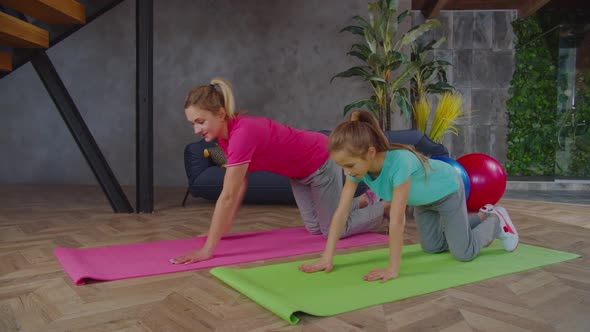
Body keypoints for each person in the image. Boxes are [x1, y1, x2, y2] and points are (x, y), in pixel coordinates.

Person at [171, 78, 386, 264]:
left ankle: (385, 206)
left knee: (332, 231)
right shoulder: (225, 140)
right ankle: (365, 200)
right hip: (298, 175)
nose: (196, 130)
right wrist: (220, 231)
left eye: (200, 122)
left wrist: (208, 249)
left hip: (319, 160)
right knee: (315, 229)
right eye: (192, 124)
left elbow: (227, 196)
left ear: (220, 113)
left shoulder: (242, 134)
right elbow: (238, 186)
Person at [299, 110, 519, 283]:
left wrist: (392, 269)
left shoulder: (399, 163)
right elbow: (341, 213)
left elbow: (397, 221)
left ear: (370, 153)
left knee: (463, 252)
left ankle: (495, 221)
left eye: (349, 166)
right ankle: (480, 217)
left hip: (448, 191)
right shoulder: (358, 169)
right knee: (432, 247)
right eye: (342, 167)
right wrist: (327, 257)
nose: (346, 172)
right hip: (423, 202)